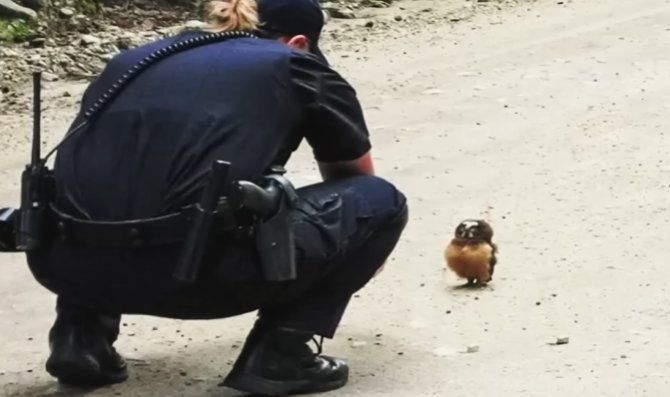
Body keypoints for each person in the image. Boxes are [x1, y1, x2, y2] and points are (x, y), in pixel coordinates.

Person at [25, 0, 408, 395]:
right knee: (380, 201)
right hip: (198, 277)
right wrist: (354, 247)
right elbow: (353, 176)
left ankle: (80, 342)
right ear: (298, 42)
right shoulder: (294, 64)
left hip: (63, 265)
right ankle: (282, 355)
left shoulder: (132, 61)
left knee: (122, 183)